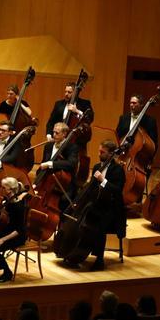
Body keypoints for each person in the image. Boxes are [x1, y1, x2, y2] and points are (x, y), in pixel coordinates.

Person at [61, 140, 125, 271]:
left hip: (111, 208)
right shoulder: (97, 167)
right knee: (84, 217)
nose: (99, 154)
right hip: (95, 204)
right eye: (99, 151)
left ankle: (99, 260)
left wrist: (103, 181)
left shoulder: (118, 170)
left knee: (98, 225)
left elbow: (117, 190)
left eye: (103, 152)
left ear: (111, 154)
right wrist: (78, 200)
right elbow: (90, 187)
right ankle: (71, 249)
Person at [46, 81, 95, 153]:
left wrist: (77, 111)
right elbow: (51, 122)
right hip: (59, 140)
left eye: (69, 92)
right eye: (65, 91)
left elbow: (90, 118)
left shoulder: (85, 103)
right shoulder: (58, 104)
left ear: (75, 93)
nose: (66, 94)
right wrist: (49, 134)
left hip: (76, 142)